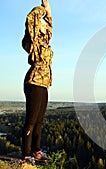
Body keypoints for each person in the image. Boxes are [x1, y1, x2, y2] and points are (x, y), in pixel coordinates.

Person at [21, 0, 53, 164]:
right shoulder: (34, 42)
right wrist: (41, 9)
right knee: (31, 120)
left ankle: (36, 150)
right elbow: (31, 18)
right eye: (41, 23)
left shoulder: (45, 41)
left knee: (40, 120)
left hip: (44, 83)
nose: (43, 25)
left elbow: (50, 26)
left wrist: (48, 9)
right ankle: (26, 154)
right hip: (34, 81)